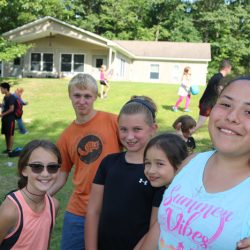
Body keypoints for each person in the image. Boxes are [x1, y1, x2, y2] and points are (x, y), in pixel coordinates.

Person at [139, 76, 250, 249]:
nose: (232, 117)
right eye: (226, 104)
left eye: (249, 112)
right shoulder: (191, 163)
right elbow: (163, 227)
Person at [48, 73, 121, 250]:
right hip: (79, 210)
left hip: (112, 207)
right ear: (70, 96)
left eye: (87, 96)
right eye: (77, 96)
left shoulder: (113, 121)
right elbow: (61, 175)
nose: (82, 101)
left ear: (95, 96)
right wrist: (39, 196)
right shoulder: (66, 136)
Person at [85, 96, 165, 250]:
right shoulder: (108, 163)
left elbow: (155, 227)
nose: (129, 136)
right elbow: (93, 211)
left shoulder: (158, 173)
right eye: (123, 129)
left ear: (153, 129)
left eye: (137, 129)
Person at [0, 139, 61, 249]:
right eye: (37, 166)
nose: (45, 174)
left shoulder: (53, 205)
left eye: (52, 167)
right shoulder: (11, 210)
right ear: (24, 170)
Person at [193, 59, 232, 132]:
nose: (230, 71)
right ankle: (183, 135)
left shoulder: (216, 76)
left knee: (218, 120)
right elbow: (220, 91)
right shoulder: (220, 78)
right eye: (230, 69)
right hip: (207, 104)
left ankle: (224, 133)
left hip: (209, 103)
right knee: (200, 123)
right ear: (227, 68)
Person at [0, 82, 16, 154]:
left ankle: (10, 150)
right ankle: (8, 149)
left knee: (10, 134)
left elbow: (11, 109)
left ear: (6, 89)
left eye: (1, 89)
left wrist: (2, 114)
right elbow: (4, 106)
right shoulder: (5, 97)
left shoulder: (11, 97)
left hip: (10, 119)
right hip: (5, 119)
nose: (0, 90)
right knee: (6, 134)